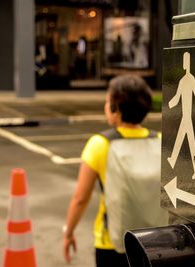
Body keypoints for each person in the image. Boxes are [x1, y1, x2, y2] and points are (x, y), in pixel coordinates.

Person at [63, 74, 168, 267]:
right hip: (154, 241)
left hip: (112, 243)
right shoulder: (160, 141)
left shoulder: (100, 144)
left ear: (115, 109)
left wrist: (68, 233)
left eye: (107, 101)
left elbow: (80, 198)